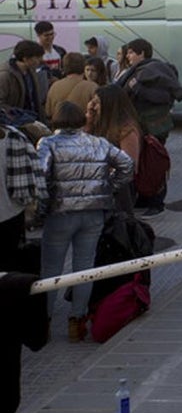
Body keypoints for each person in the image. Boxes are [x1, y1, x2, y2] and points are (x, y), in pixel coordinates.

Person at [38, 102, 134, 342]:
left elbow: (40, 177)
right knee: (85, 266)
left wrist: (41, 208)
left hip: (59, 213)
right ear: (81, 119)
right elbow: (126, 165)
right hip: (94, 212)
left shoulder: (48, 143)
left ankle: (44, 322)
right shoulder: (98, 142)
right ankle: (77, 321)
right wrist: (107, 188)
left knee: (51, 269)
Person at [85, 85, 142, 214]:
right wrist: (88, 120)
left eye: (97, 103)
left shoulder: (126, 130)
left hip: (120, 190)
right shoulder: (99, 124)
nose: (94, 106)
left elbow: (130, 165)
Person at [0, 125, 45, 273]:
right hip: (11, 213)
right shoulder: (14, 136)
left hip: (10, 213)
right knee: (9, 267)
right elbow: (27, 185)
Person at [0, 40, 47, 121]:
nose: (41, 60)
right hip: (16, 124)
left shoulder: (31, 71)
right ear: (25, 59)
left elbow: (36, 100)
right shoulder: (5, 76)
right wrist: (17, 115)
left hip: (33, 120)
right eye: (37, 57)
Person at [44, 53, 98, 122]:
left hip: (58, 128)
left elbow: (48, 112)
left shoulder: (54, 86)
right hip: (83, 129)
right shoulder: (92, 87)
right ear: (83, 66)